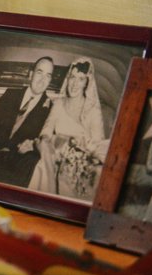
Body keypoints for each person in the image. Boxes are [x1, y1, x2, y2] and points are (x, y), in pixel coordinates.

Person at [28, 57, 107, 201]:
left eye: (81, 79)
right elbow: (46, 130)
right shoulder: (58, 104)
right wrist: (48, 143)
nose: (75, 84)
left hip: (81, 164)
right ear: (67, 78)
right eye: (72, 77)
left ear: (86, 83)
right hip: (53, 159)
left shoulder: (92, 111)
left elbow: (98, 145)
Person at [0, 56, 55, 186]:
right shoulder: (10, 94)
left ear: (50, 80)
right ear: (31, 74)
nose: (42, 80)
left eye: (48, 76)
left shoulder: (50, 109)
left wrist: (32, 147)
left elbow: (45, 142)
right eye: (39, 72)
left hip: (17, 163)